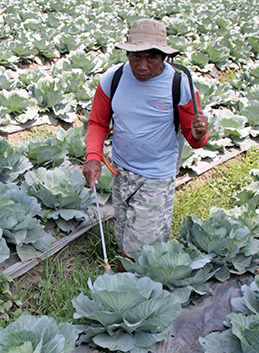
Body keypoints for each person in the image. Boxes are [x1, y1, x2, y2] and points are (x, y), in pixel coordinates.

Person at [82, 18, 209, 266]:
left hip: (157, 175)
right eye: (135, 56)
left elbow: (195, 140)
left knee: (140, 245)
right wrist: (93, 157)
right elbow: (97, 123)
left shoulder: (179, 84)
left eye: (151, 58)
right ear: (128, 52)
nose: (141, 66)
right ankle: (136, 278)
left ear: (164, 56)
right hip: (121, 170)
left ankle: (126, 282)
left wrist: (198, 132)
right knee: (123, 234)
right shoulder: (113, 78)